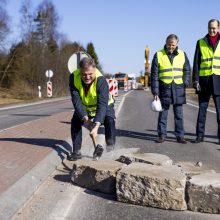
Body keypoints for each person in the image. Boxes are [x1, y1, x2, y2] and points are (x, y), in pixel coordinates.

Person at [68, 57, 116, 160]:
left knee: (109, 120)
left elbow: (102, 104)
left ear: (95, 70)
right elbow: (76, 101)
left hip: (105, 105)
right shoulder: (73, 77)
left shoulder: (101, 80)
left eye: (90, 74)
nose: (87, 77)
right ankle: (76, 152)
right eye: (84, 74)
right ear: (80, 71)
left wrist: (96, 126)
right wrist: (85, 118)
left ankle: (110, 149)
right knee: (75, 121)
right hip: (85, 107)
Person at [151, 34, 191, 143]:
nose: (171, 47)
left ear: (177, 44)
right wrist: (155, 91)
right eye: (169, 45)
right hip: (165, 88)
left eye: (173, 45)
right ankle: (162, 135)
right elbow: (154, 75)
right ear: (166, 42)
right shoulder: (158, 54)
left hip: (178, 88)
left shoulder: (183, 54)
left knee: (179, 115)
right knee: (163, 114)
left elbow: (187, 70)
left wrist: (185, 82)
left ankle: (180, 136)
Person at [193, 19, 220, 143]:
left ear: (218, 28)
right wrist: (195, 80)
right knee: (202, 109)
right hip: (204, 82)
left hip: (218, 81)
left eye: (214, 28)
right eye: (210, 28)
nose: (212, 30)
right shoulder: (201, 42)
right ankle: (199, 136)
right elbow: (196, 63)